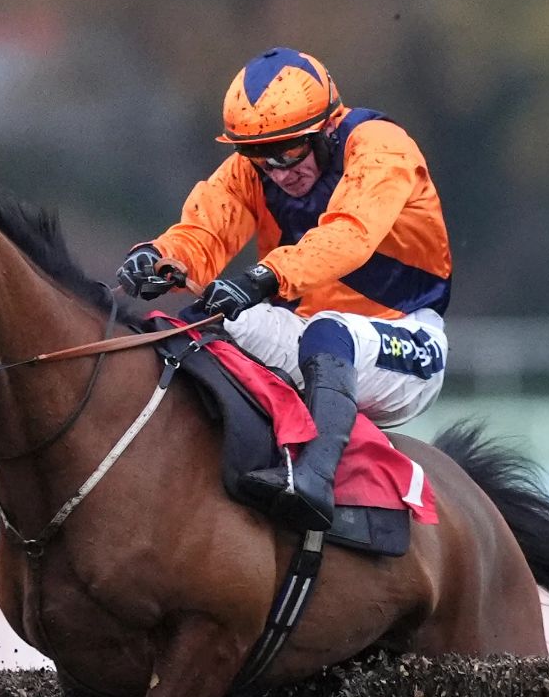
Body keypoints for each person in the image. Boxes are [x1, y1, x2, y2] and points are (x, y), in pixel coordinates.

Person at [116, 46, 452, 531]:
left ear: (327, 129)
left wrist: (263, 278)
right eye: (257, 155)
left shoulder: (380, 146)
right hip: (308, 335)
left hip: (409, 346)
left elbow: (348, 234)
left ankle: (312, 481)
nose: (277, 170)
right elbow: (205, 230)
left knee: (329, 330)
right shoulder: (250, 171)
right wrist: (161, 258)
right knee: (199, 321)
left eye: (290, 150)